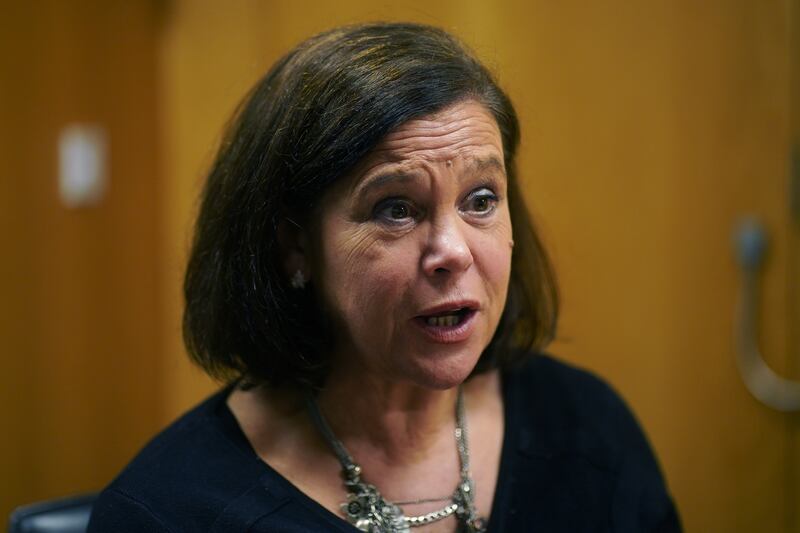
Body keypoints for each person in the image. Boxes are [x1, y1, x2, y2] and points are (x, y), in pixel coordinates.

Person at [88, 22, 680, 532]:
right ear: (296, 246)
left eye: (480, 199)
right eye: (395, 208)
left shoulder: (588, 427)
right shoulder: (166, 511)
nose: (452, 252)